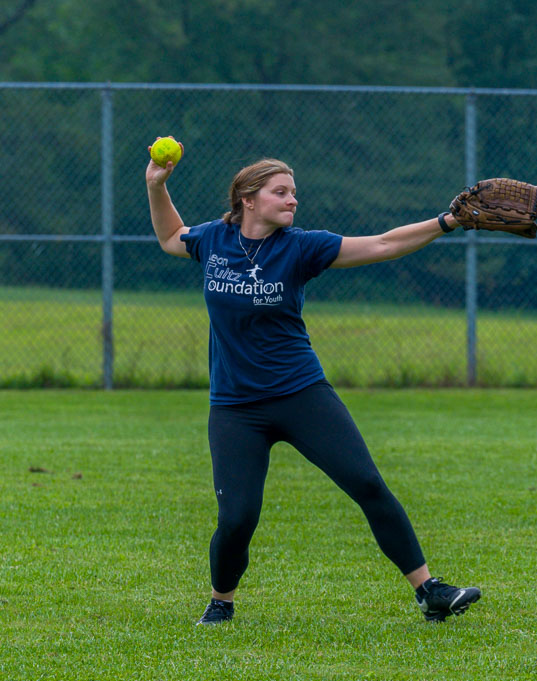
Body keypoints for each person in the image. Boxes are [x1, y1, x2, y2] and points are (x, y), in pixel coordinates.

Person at [145, 143, 480, 626]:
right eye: (280, 192)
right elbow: (171, 236)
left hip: (301, 393)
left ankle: (428, 590)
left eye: (293, 192)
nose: (292, 200)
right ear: (248, 199)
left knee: (367, 483)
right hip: (236, 407)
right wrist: (157, 185)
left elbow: (383, 243)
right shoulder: (214, 240)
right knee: (237, 518)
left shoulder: (301, 246)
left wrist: (446, 222)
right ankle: (222, 601)